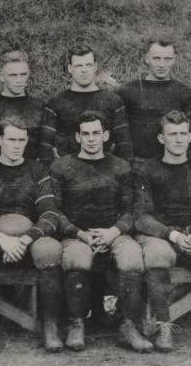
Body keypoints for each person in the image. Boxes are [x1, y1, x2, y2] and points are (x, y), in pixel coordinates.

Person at [41, 111, 144, 352]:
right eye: (85, 134)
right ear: (77, 136)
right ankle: (77, 323)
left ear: (106, 135)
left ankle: (129, 324)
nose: (91, 139)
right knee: (77, 256)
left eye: (96, 133)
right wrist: (80, 234)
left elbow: (131, 210)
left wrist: (113, 232)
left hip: (112, 232)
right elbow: (54, 210)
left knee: (131, 256)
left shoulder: (120, 166)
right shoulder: (62, 166)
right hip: (75, 235)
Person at [132, 110, 191, 353]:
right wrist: (171, 235)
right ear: (161, 138)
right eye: (172, 134)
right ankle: (164, 326)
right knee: (157, 254)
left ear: (190, 137)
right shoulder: (146, 169)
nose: (178, 139)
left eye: (183, 134)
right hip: (163, 235)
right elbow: (141, 216)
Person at [0, 116, 62, 352]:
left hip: (28, 235)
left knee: (50, 249)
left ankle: (50, 326)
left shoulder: (37, 169)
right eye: (11, 139)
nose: (17, 145)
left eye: (22, 139)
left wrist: (26, 238)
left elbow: (50, 214)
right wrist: (1, 238)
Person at [44, 45, 132, 163]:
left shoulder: (114, 101)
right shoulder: (55, 103)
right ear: (70, 68)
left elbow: (124, 145)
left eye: (88, 65)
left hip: (105, 172)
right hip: (68, 173)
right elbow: (45, 147)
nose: (84, 70)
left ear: (95, 66)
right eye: (79, 66)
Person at [117, 38, 191, 164]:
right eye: (157, 58)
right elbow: (121, 131)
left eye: (167, 59)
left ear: (174, 60)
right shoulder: (129, 90)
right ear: (147, 59)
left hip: (171, 163)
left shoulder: (184, 92)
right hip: (138, 162)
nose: (162, 65)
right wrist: (128, 161)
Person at [0, 50, 52, 164]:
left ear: (28, 74)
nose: (19, 80)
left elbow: (45, 148)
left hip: (32, 175)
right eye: (13, 75)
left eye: (23, 74)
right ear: (1, 77)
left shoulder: (40, 106)